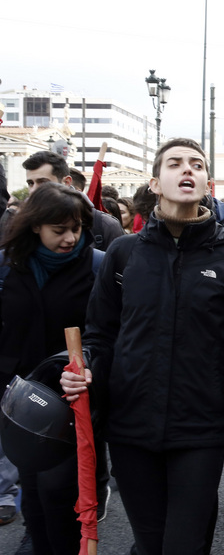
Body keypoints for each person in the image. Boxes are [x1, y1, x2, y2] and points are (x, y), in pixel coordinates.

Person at [60, 138, 224, 555]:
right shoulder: (123, 253)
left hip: (201, 426)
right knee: (150, 544)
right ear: (155, 181)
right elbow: (101, 333)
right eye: (174, 163)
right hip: (131, 422)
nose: (186, 170)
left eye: (196, 164)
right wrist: (90, 370)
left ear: (208, 182)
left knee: (184, 545)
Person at [0, 183, 106, 554]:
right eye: (58, 230)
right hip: (17, 397)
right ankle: (37, 540)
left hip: (72, 394)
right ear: (35, 226)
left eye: (75, 229)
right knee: (32, 483)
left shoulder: (98, 266)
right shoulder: (7, 265)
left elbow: (106, 332)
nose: (69, 238)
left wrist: (87, 367)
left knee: (59, 489)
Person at [0, 151, 124, 251]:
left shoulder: (104, 226)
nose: (34, 190)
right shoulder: (13, 222)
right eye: (30, 183)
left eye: (43, 182)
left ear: (66, 182)